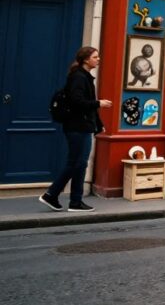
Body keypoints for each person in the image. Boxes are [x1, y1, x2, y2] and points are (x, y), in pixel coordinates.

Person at [39, 47, 112, 213]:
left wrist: (98, 124)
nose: (98, 59)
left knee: (76, 163)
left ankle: (54, 196)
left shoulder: (82, 76)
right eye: (95, 56)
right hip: (78, 127)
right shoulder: (79, 77)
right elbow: (77, 102)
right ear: (86, 60)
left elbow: (86, 106)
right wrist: (99, 103)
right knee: (79, 163)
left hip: (81, 126)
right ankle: (73, 201)